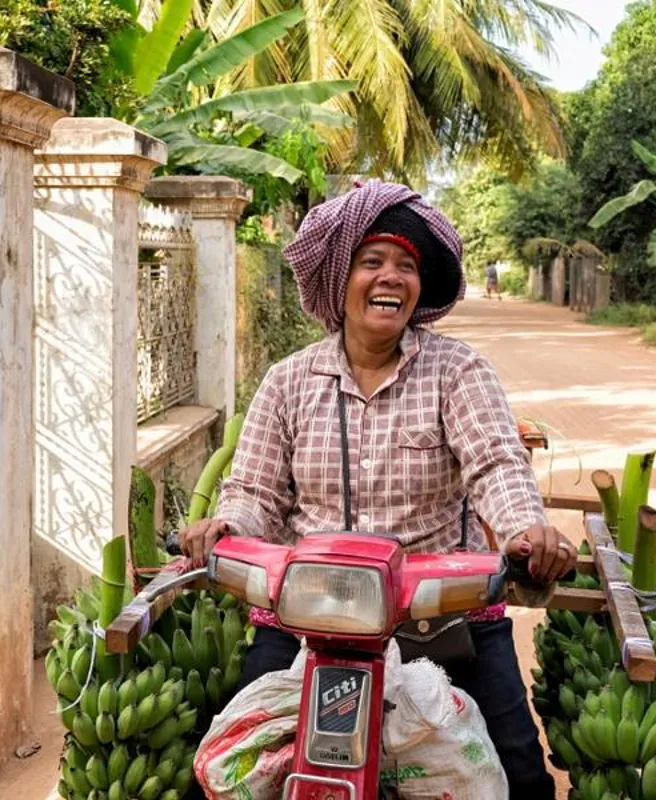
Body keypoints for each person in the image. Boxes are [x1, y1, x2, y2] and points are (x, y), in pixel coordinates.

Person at [179, 180, 576, 800]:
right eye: (372, 261)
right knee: (230, 773)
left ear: (419, 289)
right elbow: (254, 490)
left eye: (407, 266)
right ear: (341, 279)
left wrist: (526, 532)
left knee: (520, 775)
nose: (391, 277)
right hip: (308, 620)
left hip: (440, 616)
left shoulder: (456, 371)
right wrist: (226, 527)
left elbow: (497, 465)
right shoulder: (287, 382)